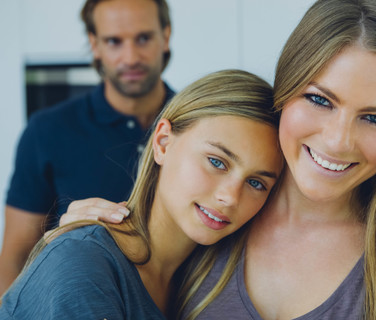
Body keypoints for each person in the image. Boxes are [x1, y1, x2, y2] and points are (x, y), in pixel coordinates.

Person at [66, 0, 376, 319]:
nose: (337, 141)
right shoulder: (216, 212)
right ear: (284, 90)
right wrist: (88, 245)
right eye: (319, 99)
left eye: (375, 118)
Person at [0, 69, 284, 319]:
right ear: (162, 143)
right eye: (217, 162)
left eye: (256, 183)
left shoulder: (212, 285)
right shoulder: (84, 261)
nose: (231, 197)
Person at [0, 0, 175, 294]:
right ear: (95, 45)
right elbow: (15, 258)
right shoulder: (47, 131)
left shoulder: (200, 126)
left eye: (143, 38)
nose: (130, 57)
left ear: (165, 36)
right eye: (114, 41)